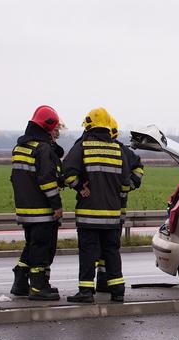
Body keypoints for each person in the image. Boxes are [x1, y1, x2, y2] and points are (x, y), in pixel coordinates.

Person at [63, 108, 131, 303]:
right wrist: (117, 197)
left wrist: (78, 186)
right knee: (111, 251)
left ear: (89, 125)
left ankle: (85, 292)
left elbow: (67, 172)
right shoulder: (118, 149)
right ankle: (118, 291)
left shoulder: (83, 146)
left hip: (88, 215)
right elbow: (126, 182)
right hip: (112, 214)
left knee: (88, 253)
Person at [10, 105, 63, 301]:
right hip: (42, 210)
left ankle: (21, 282)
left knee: (32, 245)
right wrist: (56, 205)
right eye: (55, 129)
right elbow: (47, 180)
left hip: (25, 208)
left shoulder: (21, 147)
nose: (56, 133)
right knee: (42, 247)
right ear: (47, 127)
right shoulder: (42, 149)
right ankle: (39, 287)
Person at [94, 117, 144, 293]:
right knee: (108, 247)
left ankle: (104, 280)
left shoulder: (123, 151)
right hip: (114, 208)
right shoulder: (119, 151)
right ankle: (103, 281)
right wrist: (127, 187)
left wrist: (128, 186)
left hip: (113, 209)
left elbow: (138, 168)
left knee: (106, 247)